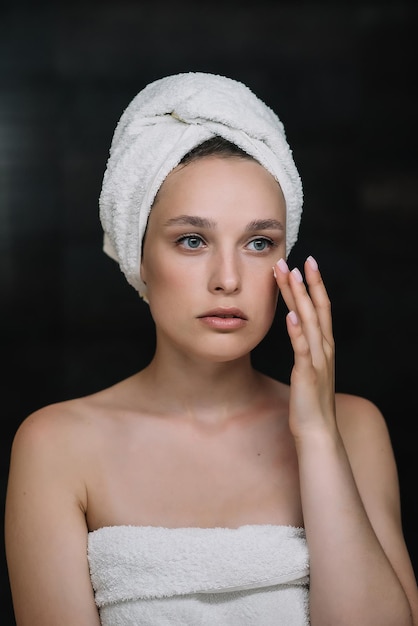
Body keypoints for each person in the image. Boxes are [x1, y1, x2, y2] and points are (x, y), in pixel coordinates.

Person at [5, 72, 418, 626]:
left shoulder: (354, 428)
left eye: (258, 243)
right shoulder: (55, 445)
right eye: (192, 240)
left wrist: (317, 436)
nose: (228, 278)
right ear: (139, 257)